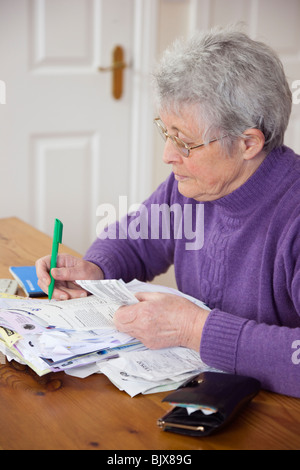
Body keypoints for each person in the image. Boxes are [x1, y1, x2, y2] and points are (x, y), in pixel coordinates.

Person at [36, 27, 300, 398]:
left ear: (248, 143)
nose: (167, 155)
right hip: (205, 393)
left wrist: (195, 330)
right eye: (166, 131)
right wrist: (94, 270)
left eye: (185, 141)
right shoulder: (193, 186)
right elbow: (135, 240)